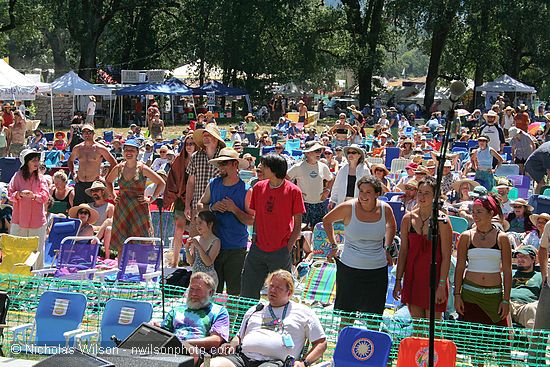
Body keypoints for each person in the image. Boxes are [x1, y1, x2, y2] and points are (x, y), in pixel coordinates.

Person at [209, 270, 327, 367]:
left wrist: (304, 363)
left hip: (275, 363)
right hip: (243, 358)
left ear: (289, 292)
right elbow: (239, 336)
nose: (273, 290)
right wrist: (232, 344)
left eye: (278, 288)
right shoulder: (255, 310)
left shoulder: (304, 313)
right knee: (210, 365)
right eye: (271, 286)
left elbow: (321, 343)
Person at [323, 176, 396, 315]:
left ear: (377, 194)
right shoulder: (348, 207)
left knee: (373, 318)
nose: (363, 195)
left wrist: (387, 248)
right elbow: (326, 221)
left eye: (368, 192)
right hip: (349, 269)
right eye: (361, 191)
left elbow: (391, 226)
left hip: (377, 271)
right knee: (346, 316)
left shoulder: (385, 209)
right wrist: (334, 246)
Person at [240, 154, 305, 299]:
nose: (260, 167)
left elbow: (298, 225)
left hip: (280, 250)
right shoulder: (257, 187)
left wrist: (287, 248)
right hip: (257, 248)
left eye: (264, 165)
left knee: (281, 293)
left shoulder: (294, 191)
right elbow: (257, 216)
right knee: (247, 290)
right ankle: (247, 319)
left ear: (273, 169)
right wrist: (255, 237)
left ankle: (280, 321)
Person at [393, 176, 453, 319]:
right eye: (420, 192)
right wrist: (397, 281)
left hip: (434, 278)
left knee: (434, 329)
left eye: (427, 193)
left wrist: (441, 285)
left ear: (435, 196)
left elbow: (446, 256)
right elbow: (403, 253)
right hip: (413, 278)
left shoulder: (443, 221)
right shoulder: (408, 219)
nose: (422, 196)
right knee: (418, 328)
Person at [198, 147, 253, 295]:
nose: (220, 167)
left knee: (235, 291)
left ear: (235, 165)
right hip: (213, 246)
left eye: (224, 163)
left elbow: (252, 220)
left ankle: (234, 318)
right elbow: (199, 205)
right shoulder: (213, 184)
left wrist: (234, 209)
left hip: (235, 248)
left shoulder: (246, 190)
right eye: (219, 164)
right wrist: (211, 207)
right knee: (213, 289)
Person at [454, 194, 512, 327]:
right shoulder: (466, 236)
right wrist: (457, 295)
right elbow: (460, 267)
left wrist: (506, 300)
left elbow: (508, 271)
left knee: (497, 343)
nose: (475, 215)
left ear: (491, 213)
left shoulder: (502, 238)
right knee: (468, 342)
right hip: (469, 296)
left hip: (494, 298)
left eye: (479, 212)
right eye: (473, 212)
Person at [106, 140, 165, 257]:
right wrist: (113, 195)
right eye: (126, 150)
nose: (129, 152)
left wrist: (151, 199)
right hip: (122, 207)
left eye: (132, 150)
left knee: (141, 243)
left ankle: (142, 274)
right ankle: (120, 272)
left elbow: (161, 183)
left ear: (137, 152)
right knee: (121, 244)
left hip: (139, 209)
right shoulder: (119, 168)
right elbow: (108, 181)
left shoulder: (143, 168)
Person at [157, 272, 230, 354]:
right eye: (191, 289)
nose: (193, 293)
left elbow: (216, 340)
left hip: (198, 352)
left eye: (198, 290)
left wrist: (185, 344)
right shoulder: (177, 310)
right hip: (171, 349)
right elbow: (163, 332)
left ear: (211, 293)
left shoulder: (219, 311)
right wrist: (156, 328)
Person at [7, 149, 50, 269]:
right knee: (16, 248)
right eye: (33, 160)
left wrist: (34, 196)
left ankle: (37, 278)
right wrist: (19, 194)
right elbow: (9, 193)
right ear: (27, 162)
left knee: (37, 250)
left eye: (37, 160)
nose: (36, 163)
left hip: (37, 221)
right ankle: (16, 276)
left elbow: (45, 197)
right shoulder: (17, 176)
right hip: (19, 220)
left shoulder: (41, 178)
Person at [185, 125, 225, 237]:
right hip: (198, 206)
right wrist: (187, 205)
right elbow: (190, 183)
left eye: (209, 135)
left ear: (216, 138)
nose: (206, 137)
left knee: (217, 241)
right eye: (204, 135)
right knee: (194, 241)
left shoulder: (224, 157)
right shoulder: (196, 156)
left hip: (219, 207)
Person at [165, 133, 196, 266]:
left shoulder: (201, 159)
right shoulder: (179, 160)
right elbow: (172, 179)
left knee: (195, 231)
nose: (189, 146)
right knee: (179, 228)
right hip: (180, 199)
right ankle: (175, 261)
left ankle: (193, 261)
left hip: (196, 197)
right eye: (187, 144)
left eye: (192, 143)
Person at [287, 142, 333, 230]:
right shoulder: (298, 167)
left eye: (320, 150)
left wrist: (327, 191)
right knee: (301, 231)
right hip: (303, 204)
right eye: (316, 150)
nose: (319, 153)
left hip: (319, 204)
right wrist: (297, 193)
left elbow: (330, 179)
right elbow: (285, 180)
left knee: (318, 232)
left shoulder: (323, 167)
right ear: (307, 153)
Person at [68, 124, 117, 205]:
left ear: (93, 133)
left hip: (94, 184)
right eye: (84, 132)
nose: (87, 134)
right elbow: (70, 161)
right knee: (79, 209)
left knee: (94, 210)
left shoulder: (100, 148)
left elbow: (114, 163)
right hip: (80, 183)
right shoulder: (77, 148)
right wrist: (73, 174)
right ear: (82, 134)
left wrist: (105, 178)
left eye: (89, 132)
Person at [185, 210, 221, 288]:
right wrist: (187, 249)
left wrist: (198, 246)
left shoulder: (215, 241)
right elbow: (191, 262)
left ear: (210, 224)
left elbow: (208, 263)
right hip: (195, 277)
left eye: (200, 223)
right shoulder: (196, 239)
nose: (198, 226)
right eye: (196, 224)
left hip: (208, 279)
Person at [509, 245, 542, 328]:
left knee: (533, 308)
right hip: (507, 304)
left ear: (533, 259)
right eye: (518, 256)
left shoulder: (540, 276)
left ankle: (535, 340)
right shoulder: (509, 273)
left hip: (525, 307)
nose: (520, 259)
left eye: (524, 257)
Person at [329, 144, 369, 209]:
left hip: (359, 204)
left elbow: (368, 188)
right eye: (348, 152)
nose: (350, 154)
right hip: (343, 202)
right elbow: (336, 186)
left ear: (359, 155)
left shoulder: (365, 170)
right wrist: (333, 200)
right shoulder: (343, 169)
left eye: (353, 152)